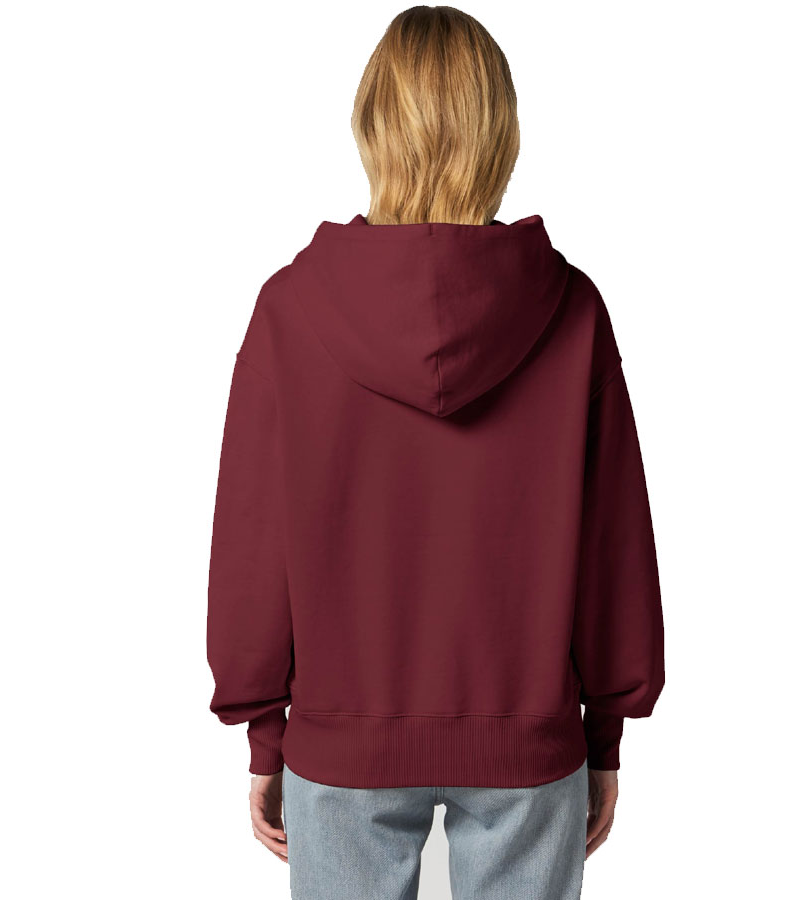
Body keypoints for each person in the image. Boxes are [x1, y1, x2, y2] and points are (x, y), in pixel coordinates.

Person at [206, 6, 665, 898]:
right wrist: (604, 735)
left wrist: (266, 735)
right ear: (500, 130)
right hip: (528, 738)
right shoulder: (570, 308)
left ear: (374, 124)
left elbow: (253, 546)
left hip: (342, 742)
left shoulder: (291, 310)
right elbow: (614, 543)